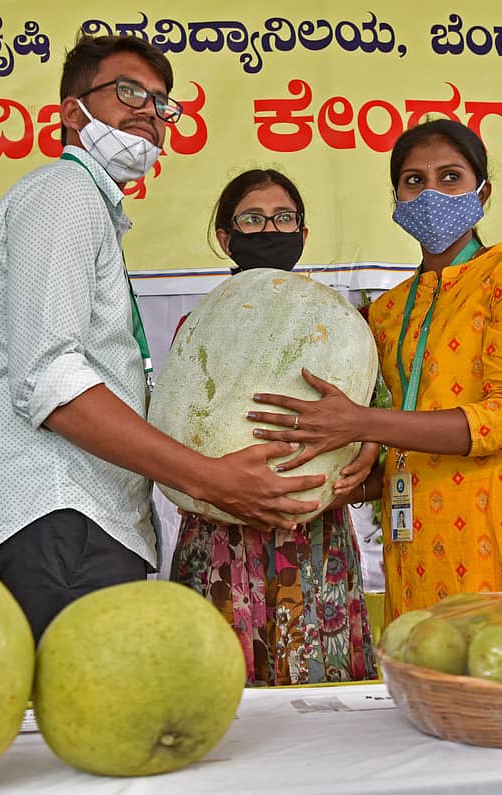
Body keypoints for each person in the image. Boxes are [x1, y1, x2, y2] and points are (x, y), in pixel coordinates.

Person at [0, 35, 325, 644]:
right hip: (62, 516)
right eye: (129, 91)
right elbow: (54, 383)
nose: (150, 112)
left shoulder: (89, 208)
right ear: (72, 112)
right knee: (76, 724)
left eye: (162, 102)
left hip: (84, 523)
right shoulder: (63, 196)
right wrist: (209, 477)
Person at [244, 119, 502, 623]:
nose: (430, 192)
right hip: (409, 539)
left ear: (484, 190)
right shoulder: (387, 313)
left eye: (450, 177)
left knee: (495, 683)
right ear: (396, 196)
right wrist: (348, 481)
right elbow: (389, 438)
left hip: (491, 527)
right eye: (414, 180)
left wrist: (358, 423)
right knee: (417, 690)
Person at [170, 169, 378, 686]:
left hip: (313, 531)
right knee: (221, 695)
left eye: (284, 218)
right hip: (222, 530)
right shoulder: (196, 322)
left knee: (322, 709)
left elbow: (375, 407)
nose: (270, 229)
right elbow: (174, 428)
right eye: (252, 219)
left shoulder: (341, 322)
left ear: (302, 235)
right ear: (226, 237)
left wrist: (368, 450)